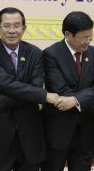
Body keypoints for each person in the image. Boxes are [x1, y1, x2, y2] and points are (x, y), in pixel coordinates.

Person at [0, 7, 59, 171]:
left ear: (24, 28)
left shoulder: (35, 53)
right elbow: (4, 83)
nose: (12, 30)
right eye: (6, 26)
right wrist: (43, 95)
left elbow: (34, 88)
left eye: (17, 25)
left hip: (30, 133)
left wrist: (0, 99)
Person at [41, 11, 94, 171]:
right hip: (58, 130)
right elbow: (59, 89)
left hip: (87, 129)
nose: (88, 41)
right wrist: (85, 98)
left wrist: (76, 101)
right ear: (68, 34)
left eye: (90, 36)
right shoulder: (51, 54)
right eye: (84, 37)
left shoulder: (93, 53)